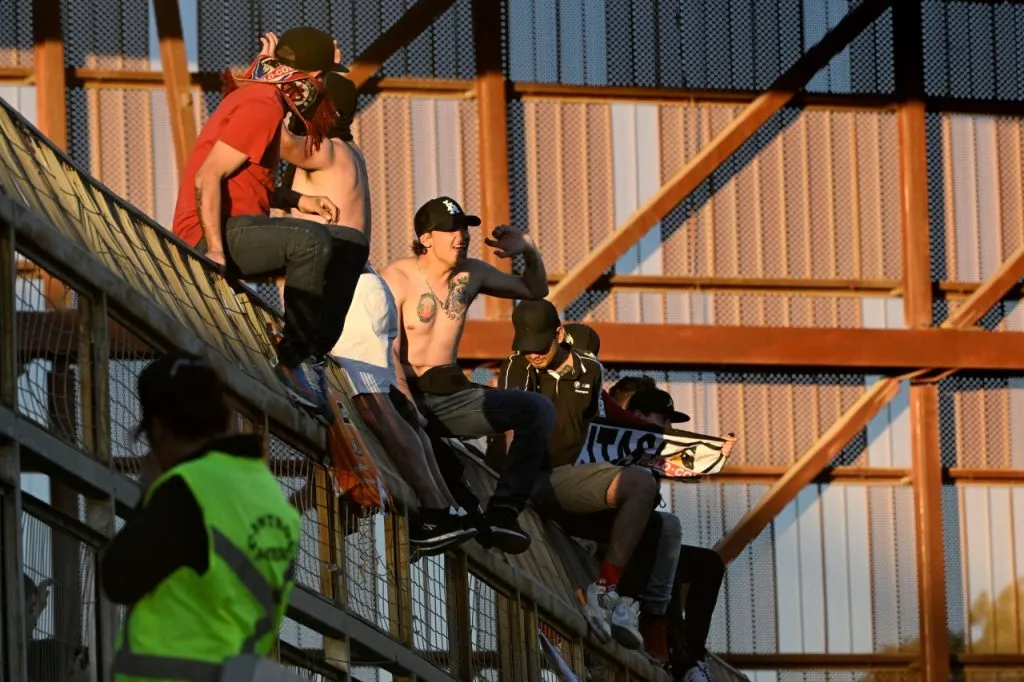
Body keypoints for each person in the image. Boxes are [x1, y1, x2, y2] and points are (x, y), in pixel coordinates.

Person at [276, 72, 475, 553]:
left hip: (349, 295)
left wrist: (274, 82)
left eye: (309, 101)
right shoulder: (341, 154)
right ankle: (447, 506)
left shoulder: (329, 151)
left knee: (374, 406)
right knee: (394, 407)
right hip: (359, 291)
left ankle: (434, 507)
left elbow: (279, 142)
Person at [171, 27, 366, 422]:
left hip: (239, 228)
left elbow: (249, 181)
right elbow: (207, 176)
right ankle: (293, 359)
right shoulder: (263, 104)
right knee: (309, 240)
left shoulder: (264, 100)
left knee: (346, 242)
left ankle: (311, 353)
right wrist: (213, 249)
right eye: (324, 78)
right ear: (310, 78)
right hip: (210, 233)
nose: (324, 88)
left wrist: (299, 199)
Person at [101, 352, 301, 681]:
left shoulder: (186, 489)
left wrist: (150, 495)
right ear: (223, 420)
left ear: (159, 430)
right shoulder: (273, 500)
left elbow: (118, 578)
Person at [382, 196, 553, 555]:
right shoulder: (398, 277)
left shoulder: (471, 274)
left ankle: (503, 512)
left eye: (464, 228)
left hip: (451, 393)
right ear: (426, 238)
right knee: (450, 477)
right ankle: (449, 522)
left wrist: (529, 249)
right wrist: (408, 407)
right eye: (450, 230)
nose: (461, 236)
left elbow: (535, 291)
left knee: (537, 409)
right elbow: (389, 351)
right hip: (407, 392)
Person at [499, 300, 658, 651]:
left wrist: (692, 450)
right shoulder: (517, 368)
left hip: (573, 477)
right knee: (640, 488)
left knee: (650, 504)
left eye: (540, 346)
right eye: (526, 348)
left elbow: (600, 429)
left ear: (559, 334)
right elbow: (510, 435)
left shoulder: (589, 369)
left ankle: (615, 599)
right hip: (533, 479)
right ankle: (598, 599)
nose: (533, 355)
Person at [626, 389, 724, 682]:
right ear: (638, 417)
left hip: (650, 541)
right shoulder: (611, 445)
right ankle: (680, 659)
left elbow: (688, 463)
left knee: (709, 563)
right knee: (669, 561)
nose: (668, 429)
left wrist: (712, 456)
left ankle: (693, 656)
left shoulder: (654, 453)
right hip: (617, 542)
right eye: (663, 420)